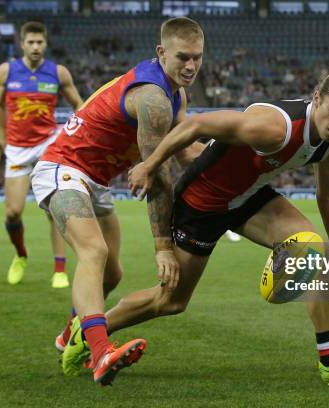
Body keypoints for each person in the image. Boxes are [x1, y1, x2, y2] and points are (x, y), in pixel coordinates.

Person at [103, 69, 329, 385]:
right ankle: (92, 330)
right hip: (201, 203)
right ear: (317, 98)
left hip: (249, 197)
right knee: (171, 302)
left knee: (311, 248)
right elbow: (196, 125)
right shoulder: (274, 128)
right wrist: (149, 164)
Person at [30, 17, 205, 385]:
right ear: (161, 53)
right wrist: (162, 247)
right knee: (94, 252)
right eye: (183, 57)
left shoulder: (176, 94)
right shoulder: (154, 98)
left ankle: (68, 337)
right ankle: (100, 352)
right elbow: (157, 174)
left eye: (198, 58)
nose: (191, 67)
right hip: (61, 169)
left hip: (94, 180)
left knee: (113, 274)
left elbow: (187, 152)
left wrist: (240, 156)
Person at [0, 21, 84, 288]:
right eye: (30, 42)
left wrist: (69, 137)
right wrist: (2, 140)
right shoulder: (6, 71)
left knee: (55, 210)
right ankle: (20, 255)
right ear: (22, 43)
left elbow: (79, 105)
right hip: (18, 148)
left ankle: (59, 269)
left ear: (45, 43)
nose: (35, 46)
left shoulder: (58, 73)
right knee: (12, 212)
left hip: (49, 146)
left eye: (39, 42)